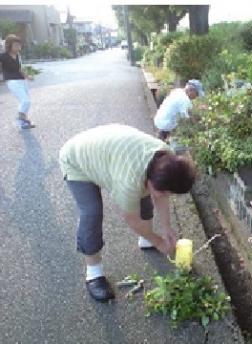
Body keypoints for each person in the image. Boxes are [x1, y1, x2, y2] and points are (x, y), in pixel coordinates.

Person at [59, 124, 196, 302]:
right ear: (150, 177)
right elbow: (132, 219)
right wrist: (159, 241)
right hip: (76, 159)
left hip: (108, 153)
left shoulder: (167, 158)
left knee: (147, 195)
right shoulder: (129, 181)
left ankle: (145, 239)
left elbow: (160, 196)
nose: (165, 196)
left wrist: (167, 227)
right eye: (163, 191)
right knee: (92, 213)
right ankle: (93, 273)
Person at [0, 34, 35, 129]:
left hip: (22, 80)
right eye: (15, 45)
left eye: (19, 45)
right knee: (25, 101)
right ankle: (19, 119)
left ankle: (24, 120)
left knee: (25, 101)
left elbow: (20, 69)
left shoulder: (18, 56)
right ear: (9, 45)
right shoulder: (3, 56)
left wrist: (28, 77)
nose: (18, 47)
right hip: (12, 81)